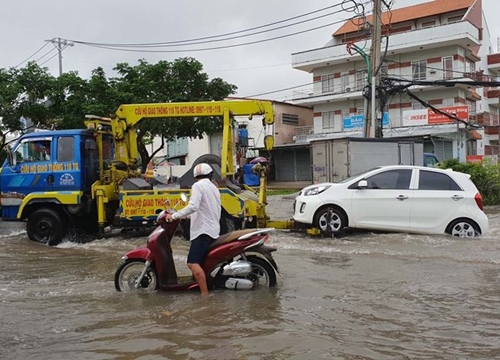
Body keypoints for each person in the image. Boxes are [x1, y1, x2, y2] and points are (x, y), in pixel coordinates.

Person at [165, 163, 221, 296]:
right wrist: (184, 216)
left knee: (192, 263)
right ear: (210, 174)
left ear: (195, 175)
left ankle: (205, 296)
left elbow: (193, 206)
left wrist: (174, 216)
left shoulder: (198, 185)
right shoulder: (213, 187)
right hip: (212, 230)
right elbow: (203, 209)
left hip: (203, 231)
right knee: (199, 262)